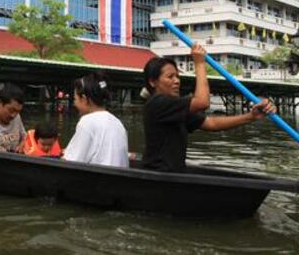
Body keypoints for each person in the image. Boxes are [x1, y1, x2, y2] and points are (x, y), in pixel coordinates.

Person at [142, 43, 276, 172]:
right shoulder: (157, 103)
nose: (177, 81)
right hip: (158, 175)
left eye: (177, 76)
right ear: (153, 82)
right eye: (170, 77)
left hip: (173, 174)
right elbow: (202, 102)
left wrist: (251, 116)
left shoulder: (174, 107)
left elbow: (211, 123)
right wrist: (200, 63)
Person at [63, 72, 129, 167]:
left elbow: (71, 162)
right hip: (119, 179)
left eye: (75, 99)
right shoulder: (117, 122)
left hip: (99, 180)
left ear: (84, 99)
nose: (74, 104)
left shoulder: (87, 121)